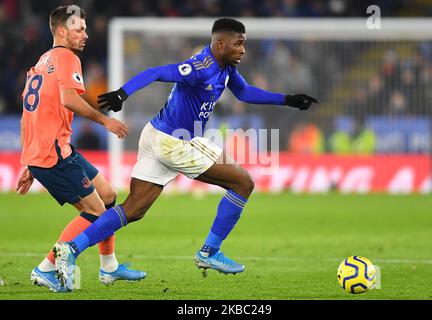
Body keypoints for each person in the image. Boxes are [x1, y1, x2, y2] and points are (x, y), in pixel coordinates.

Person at [53, 17, 319, 291]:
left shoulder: (226, 68)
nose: (243, 50)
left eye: (244, 44)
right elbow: (157, 71)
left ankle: (71, 249)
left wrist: (287, 99)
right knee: (243, 183)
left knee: (133, 209)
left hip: (157, 135)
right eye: (238, 44)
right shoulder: (200, 67)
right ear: (220, 44)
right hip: (176, 142)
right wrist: (123, 93)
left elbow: (245, 93)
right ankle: (209, 252)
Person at [16, 5, 145, 293]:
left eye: (85, 29)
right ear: (62, 32)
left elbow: (29, 111)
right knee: (97, 213)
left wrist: (28, 161)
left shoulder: (42, 61)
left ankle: (109, 267)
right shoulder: (66, 57)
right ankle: (45, 268)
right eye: (79, 29)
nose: (85, 34)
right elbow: (69, 100)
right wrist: (105, 121)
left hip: (54, 149)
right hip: (53, 155)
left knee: (109, 197)